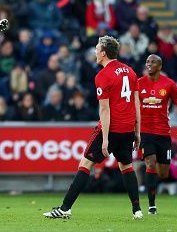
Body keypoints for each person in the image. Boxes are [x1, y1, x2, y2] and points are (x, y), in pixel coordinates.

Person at [44, 36, 143, 219]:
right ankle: (137, 210)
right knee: (126, 166)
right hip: (128, 128)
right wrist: (137, 131)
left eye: (97, 49)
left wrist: (105, 139)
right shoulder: (130, 71)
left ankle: (65, 208)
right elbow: (136, 103)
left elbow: (105, 109)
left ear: (104, 53)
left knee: (86, 164)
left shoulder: (103, 75)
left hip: (111, 128)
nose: (95, 52)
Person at [138, 54, 177, 215]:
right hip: (145, 132)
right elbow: (132, 106)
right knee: (150, 163)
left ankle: (154, 183)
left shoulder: (169, 84)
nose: (149, 64)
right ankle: (152, 205)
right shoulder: (139, 83)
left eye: (153, 62)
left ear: (160, 66)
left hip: (163, 133)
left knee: (163, 173)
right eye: (147, 62)